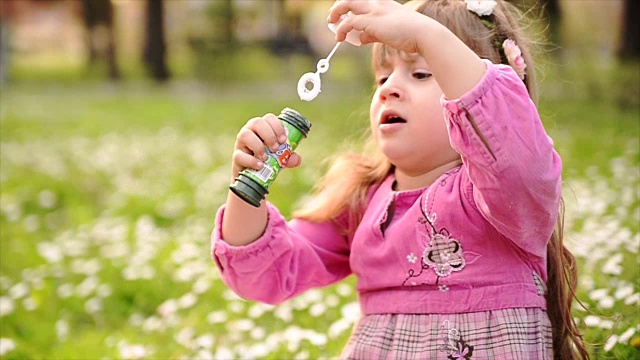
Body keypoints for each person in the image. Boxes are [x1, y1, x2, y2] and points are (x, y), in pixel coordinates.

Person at [212, 0, 589, 359]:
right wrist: (248, 189)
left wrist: (427, 34)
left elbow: (512, 152)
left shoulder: (505, 195)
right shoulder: (364, 200)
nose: (389, 87)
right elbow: (267, 273)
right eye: (381, 76)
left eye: (422, 72)